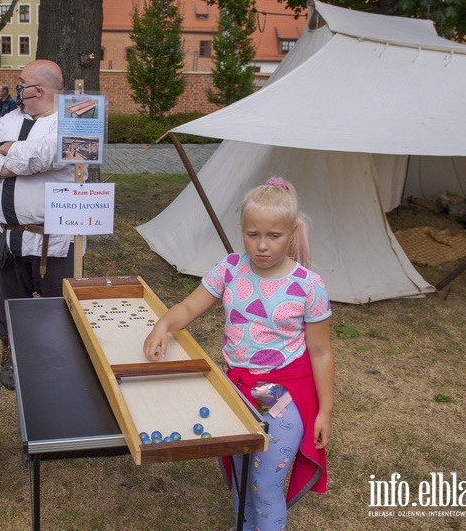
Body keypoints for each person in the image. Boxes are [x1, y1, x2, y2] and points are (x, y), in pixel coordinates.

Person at [142, 177, 334, 531]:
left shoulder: (309, 286)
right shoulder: (229, 268)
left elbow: (321, 353)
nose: (261, 246)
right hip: (234, 388)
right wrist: (163, 325)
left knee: (264, 487)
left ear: (292, 232)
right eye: (252, 234)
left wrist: (324, 411)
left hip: (274, 393)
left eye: (273, 236)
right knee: (242, 478)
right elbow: (187, 307)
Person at [0, 60, 74, 390]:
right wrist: (6, 165)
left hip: (52, 239)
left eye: (21, 83)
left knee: (56, 307)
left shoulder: (74, 120)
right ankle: (12, 358)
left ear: (39, 90)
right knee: (9, 305)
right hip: (8, 238)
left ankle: (55, 362)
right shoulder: (9, 118)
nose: (17, 88)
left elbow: (48, 154)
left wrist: (7, 151)